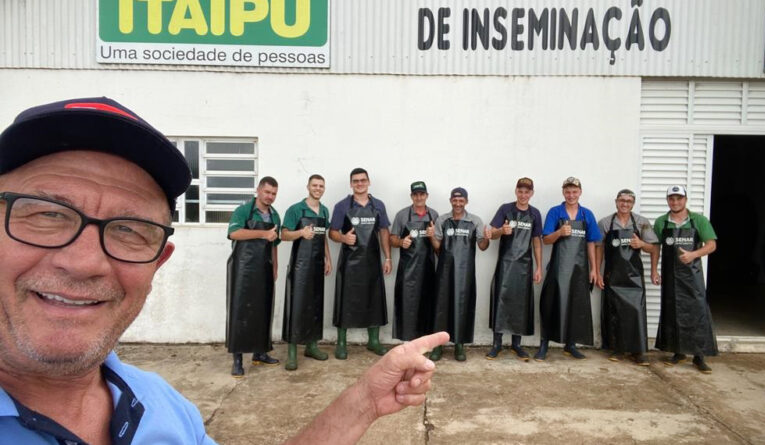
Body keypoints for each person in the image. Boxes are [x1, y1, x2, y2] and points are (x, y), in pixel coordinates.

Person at [0, 97, 449, 444]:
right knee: (257, 317)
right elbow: (265, 235)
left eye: (128, 229)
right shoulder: (306, 212)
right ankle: (249, 354)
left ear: (160, 259)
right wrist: (319, 243)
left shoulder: (166, 411)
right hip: (271, 270)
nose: (82, 261)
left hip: (295, 270)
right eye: (46, 214)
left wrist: (365, 400)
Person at [653, 185, 718, 374]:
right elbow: (656, 247)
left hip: (692, 276)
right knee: (672, 312)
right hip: (670, 275)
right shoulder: (661, 222)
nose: (675, 202)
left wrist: (693, 254)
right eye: (671, 199)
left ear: (685, 200)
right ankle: (678, 352)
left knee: (697, 313)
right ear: (667, 201)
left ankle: (699, 356)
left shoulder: (699, 220)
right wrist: (655, 270)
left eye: (679, 198)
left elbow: (711, 245)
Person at [536, 176, 602, 361]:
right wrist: (559, 232)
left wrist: (594, 269)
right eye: (568, 191)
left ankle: (570, 344)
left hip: (579, 270)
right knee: (550, 304)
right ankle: (544, 344)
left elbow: (592, 242)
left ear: (580, 192)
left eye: (574, 191)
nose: (571, 195)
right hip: (558, 268)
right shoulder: (555, 212)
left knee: (576, 305)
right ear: (563, 192)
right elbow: (546, 239)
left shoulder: (586, 214)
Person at [329, 168, 392, 359]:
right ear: (351, 184)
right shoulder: (342, 206)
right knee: (345, 299)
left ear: (368, 182)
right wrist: (343, 238)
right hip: (349, 262)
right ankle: (341, 343)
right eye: (355, 181)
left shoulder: (378, 205)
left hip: (372, 261)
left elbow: (383, 232)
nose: (359, 184)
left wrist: (387, 257)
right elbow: (332, 232)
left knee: (374, 299)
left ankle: (374, 341)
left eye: (362, 180)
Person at [595, 189, 659, 365]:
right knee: (614, 312)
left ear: (633, 204)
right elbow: (598, 247)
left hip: (634, 277)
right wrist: (598, 272)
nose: (625, 204)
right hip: (612, 275)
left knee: (636, 312)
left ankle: (638, 351)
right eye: (622, 200)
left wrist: (642, 244)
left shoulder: (641, 223)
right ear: (616, 202)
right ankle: (617, 349)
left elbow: (654, 248)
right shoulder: (606, 223)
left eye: (629, 201)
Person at [226, 176, 282, 376]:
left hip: (265, 268)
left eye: (274, 193)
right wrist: (262, 234)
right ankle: (238, 359)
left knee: (263, 310)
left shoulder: (275, 216)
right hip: (243, 268)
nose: (270, 197)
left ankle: (260, 353)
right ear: (258, 190)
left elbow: (274, 244)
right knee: (240, 313)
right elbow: (234, 234)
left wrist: (275, 266)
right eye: (267, 192)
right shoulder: (243, 211)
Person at [429, 187, 491, 361]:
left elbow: (482, 246)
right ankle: (437, 346)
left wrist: (487, 237)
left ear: (466, 201)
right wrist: (431, 236)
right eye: (455, 200)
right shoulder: (442, 219)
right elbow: (437, 247)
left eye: (461, 200)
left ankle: (459, 345)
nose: (458, 203)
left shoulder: (475, 221)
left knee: (462, 307)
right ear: (451, 201)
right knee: (441, 307)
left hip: (465, 273)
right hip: (444, 272)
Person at [485, 177, 543, 361]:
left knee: (521, 303)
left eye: (527, 192)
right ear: (516, 191)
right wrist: (502, 231)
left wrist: (539, 267)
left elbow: (537, 242)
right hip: (505, 263)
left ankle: (517, 344)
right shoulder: (505, 209)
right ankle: (497, 344)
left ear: (532, 193)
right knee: (501, 300)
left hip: (525, 266)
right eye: (520, 191)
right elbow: (491, 234)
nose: (523, 195)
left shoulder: (535, 214)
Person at [280, 174, 332, 371]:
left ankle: (312, 346)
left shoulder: (325, 210)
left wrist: (328, 258)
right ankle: (292, 352)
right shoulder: (295, 210)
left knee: (315, 305)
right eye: (314, 185)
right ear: (308, 187)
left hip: (318, 265)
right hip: (300, 266)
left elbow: (323, 236)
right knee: (297, 306)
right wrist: (301, 233)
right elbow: (283, 234)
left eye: (321, 186)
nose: (318, 188)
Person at [390, 181, 439, 341]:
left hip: (428, 269)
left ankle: (426, 342)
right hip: (408, 271)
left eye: (422, 194)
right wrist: (401, 242)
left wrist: (432, 236)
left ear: (427, 196)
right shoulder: (402, 215)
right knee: (407, 306)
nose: (419, 197)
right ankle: (407, 342)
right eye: (416, 194)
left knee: (427, 306)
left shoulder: (434, 216)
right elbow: (392, 238)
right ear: (411, 196)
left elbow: (439, 246)